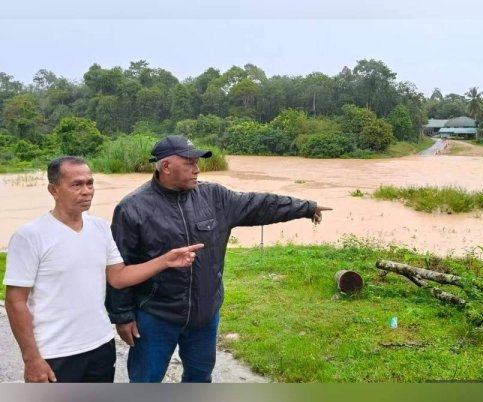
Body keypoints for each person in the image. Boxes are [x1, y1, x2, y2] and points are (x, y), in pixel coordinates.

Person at [106, 135, 332, 383]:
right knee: (146, 382)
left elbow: (260, 205)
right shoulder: (133, 208)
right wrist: (122, 316)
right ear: (167, 166)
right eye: (190, 163)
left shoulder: (214, 197)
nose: (197, 168)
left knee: (200, 377)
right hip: (155, 315)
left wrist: (306, 207)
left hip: (205, 314)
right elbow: (118, 266)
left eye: (197, 162)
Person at [3, 156, 203, 383]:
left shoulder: (99, 228)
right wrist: (31, 359)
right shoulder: (30, 236)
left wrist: (165, 261)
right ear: (53, 190)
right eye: (76, 185)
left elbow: (118, 278)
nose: (87, 191)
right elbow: (15, 301)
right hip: (54, 352)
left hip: (100, 346)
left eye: (90, 183)